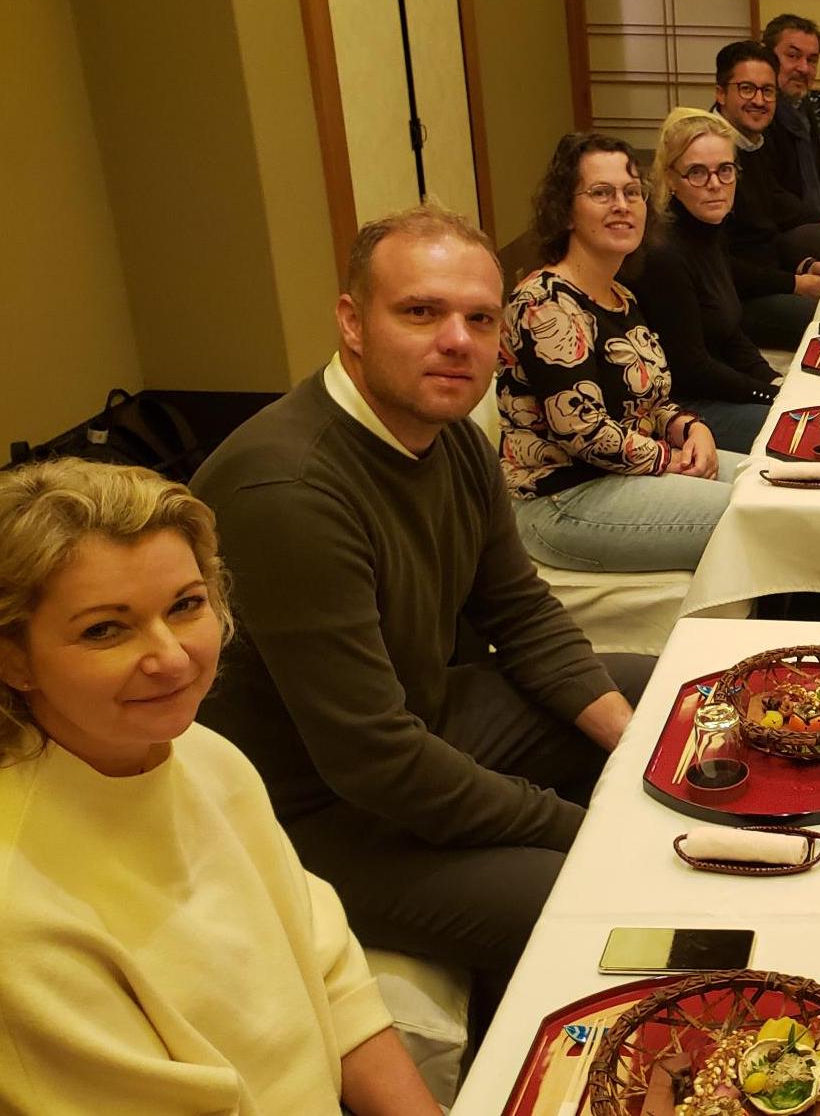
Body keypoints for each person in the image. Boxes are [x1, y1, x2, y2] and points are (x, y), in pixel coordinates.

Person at [191, 205, 653, 1010]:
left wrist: (632, 743)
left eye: (479, 318)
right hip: (310, 810)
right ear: (353, 322)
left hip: (421, 718)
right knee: (596, 895)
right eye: (420, 311)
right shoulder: (290, 491)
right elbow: (376, 761)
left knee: (655, 698)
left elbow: (521, 611)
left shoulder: (450, 438)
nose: (457, 340)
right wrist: (579, 826)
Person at [0, 459, 442, 1115]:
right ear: (14, 658)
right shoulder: (19, 906)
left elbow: (328, 970)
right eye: (105, 628)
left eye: (185, 605)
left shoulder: (205, 756)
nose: (172, 657)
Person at [503, 132, 746, 571]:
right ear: (566, 210)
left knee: (775, 487)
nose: (622, 204)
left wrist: (692, 429)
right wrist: (669, 460)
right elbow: (582, 431)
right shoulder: (544, 303)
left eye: (632, 191)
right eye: (601, 193)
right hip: (563, 498)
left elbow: (650, 400)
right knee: (762, 521)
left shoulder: (620, 296)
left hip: (626, 473)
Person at [621, 111, 780, 455]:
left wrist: (773, 379)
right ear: (671, 180)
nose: (714, 184)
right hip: (681, 410)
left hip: (713, 388)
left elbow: (731, 331)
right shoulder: (663, 254)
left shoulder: (712, 230)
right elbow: (691, 369)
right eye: (697, 172)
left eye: (725, 170)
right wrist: (766, 394)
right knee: (798, 431)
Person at [715, 40, 820, 350]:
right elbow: (718, 263)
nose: (759, 100)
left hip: (765, 277)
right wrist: (794, 283)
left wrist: (804, 265)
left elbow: (762, 232)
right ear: (720, 93)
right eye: (746, 89)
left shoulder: (752, 143)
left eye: (767, 91)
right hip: (733, 299)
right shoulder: (713, 156)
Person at [762, 14, 820, 229]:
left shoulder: (801, 107)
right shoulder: (759, 112)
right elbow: (769, 192)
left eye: (811, 60)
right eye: (793, 56)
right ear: (767, 56)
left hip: (810, 215)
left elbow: (819, 167)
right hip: (779, 229)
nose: (803, 68)